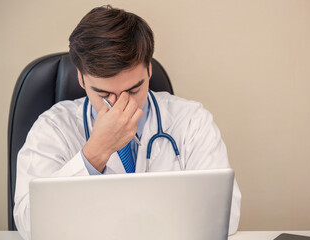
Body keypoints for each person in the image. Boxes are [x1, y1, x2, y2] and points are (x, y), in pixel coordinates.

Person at [14, 5, 241, 239]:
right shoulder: (53, 128)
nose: (121, 104)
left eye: (133, 89)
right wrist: (94, 154)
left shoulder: (192, 120)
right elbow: (30, 225)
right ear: (81, 78)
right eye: (104, 94)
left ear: (149, 70)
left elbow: (226, 216)